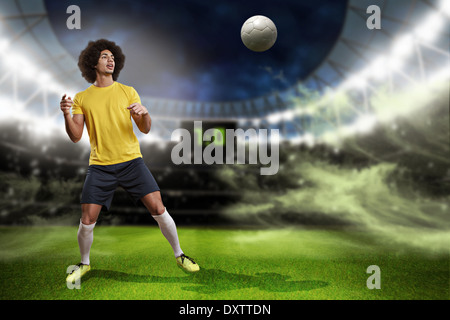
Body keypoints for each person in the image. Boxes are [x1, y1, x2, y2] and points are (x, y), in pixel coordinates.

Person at [62, 39, 199, 283]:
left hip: (131, 162)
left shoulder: (128, 91)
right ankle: (84, 264)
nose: (110, 59)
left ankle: (180, 255)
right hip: (100, 166)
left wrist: (144, 113)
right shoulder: (82, 98)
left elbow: (145, 129)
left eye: (112, 56)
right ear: (93, 62)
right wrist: (66, 113)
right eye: (105, 56)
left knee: (158, 208)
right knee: (87, 218)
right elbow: (75, 136)